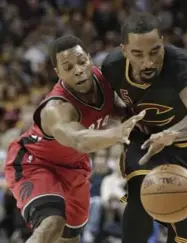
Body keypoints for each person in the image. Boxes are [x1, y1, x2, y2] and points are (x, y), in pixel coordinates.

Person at [4, 36, 145, 243]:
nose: (78, 70)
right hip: (34, 162)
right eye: (68, 67)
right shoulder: (57, 108)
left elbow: (111, 109)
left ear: (89, 58)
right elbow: (79, 139)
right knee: (52, 222)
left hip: (74, 166)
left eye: (81, 61)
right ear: (58, 73)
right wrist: (118, 133)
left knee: (70, 238)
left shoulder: (104, 80)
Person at [101, 12, 187, 243]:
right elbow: (108, 106)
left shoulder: (180, 66)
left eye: (155, 51)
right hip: (148, 141)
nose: (148, 61)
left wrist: (172, 134)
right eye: (138, 53)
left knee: (183, 238)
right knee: (139, 196)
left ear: (162, 43)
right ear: (124, 50)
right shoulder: (112, 67)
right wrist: (120, 122)